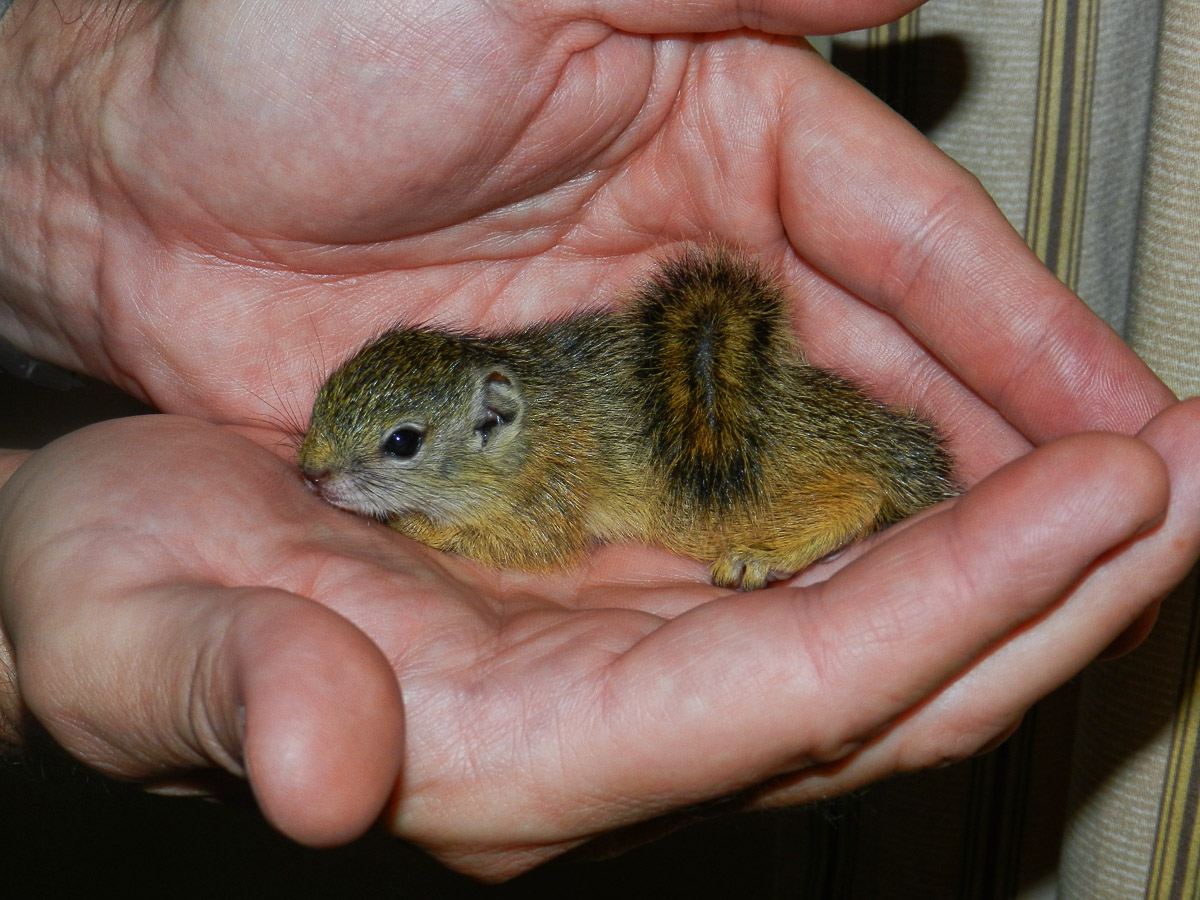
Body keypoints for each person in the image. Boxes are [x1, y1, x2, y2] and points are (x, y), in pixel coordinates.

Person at [0, 0, 1196, 883]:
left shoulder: (528, 467)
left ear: (491, 421)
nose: (329, 476)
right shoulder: (482, 419)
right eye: (332, 445)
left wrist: (431, 526)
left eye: (395, 449)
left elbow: (538, 538)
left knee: (726, 496)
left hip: (712, 444)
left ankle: (835, 509)